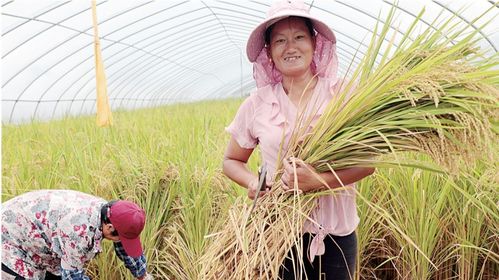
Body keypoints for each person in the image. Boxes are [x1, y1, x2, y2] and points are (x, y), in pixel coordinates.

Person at [223, 1, 375, 279]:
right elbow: (231, 160)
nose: (290, 46)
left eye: (299, 37)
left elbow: (368, 163)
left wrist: (317, 182)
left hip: (336, 235)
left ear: (315, 43)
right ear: (269, 50)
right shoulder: (257, 103)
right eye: (280, 40)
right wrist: (253, 183)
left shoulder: (342, 95)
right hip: (277, 232)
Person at [1, 189, 153, 280]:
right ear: (109, 227)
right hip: (10, 238)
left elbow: (124, 249)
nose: (120, 241)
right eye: (120, 237)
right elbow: (72, 276)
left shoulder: (112, 213)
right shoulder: (78, 232)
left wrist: (143, 275)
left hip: (37, 239)